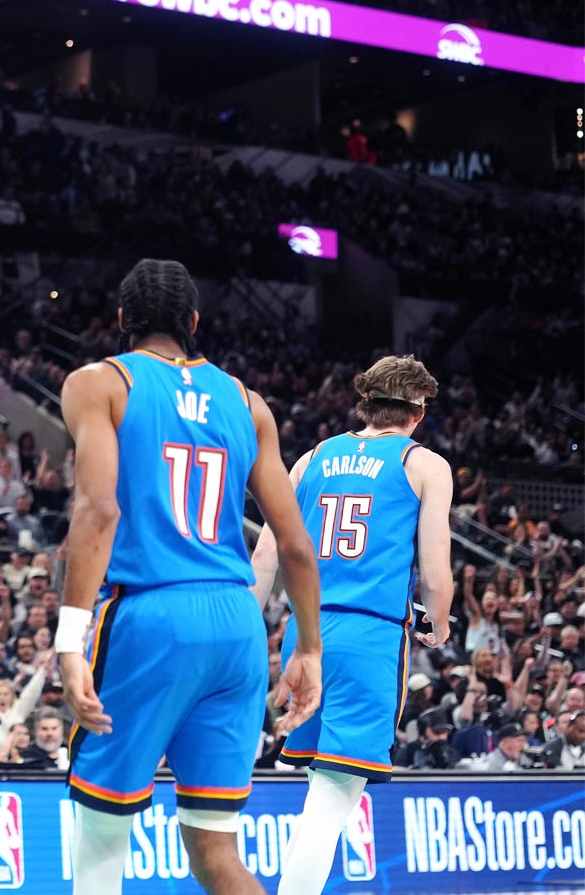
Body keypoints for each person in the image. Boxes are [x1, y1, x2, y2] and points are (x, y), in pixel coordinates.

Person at [55, 260, 322, 895]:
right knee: (214, 851)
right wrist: (308, 646)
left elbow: (99, 509)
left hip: (154, 614)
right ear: (194, 323)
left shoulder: (101, 383)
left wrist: (70, 641)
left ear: (122, 321)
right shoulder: (246, 402)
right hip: (236, 625)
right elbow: (295, 545)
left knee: (100, 843)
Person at [250, 355, 453, 895]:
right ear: (416, 411)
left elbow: (267, 553)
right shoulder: (424, 464)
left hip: (305, 633)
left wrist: (250, 627)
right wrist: (439, 622)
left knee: (324, 785)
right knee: (334, 795)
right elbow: (436, 575)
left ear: (365, 403)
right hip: (369, 638)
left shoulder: (313, 457)